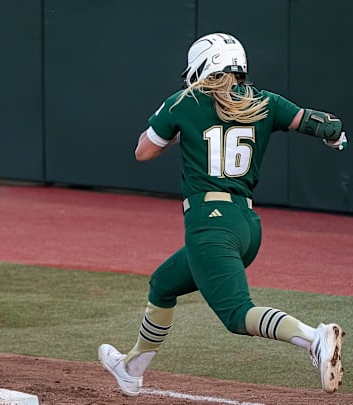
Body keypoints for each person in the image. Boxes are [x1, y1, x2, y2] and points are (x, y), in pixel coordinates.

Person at [98, 32, 347, 396]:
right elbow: (323, 123)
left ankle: (314, 338)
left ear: (202, 66)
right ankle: (132, 368)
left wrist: (182, 131)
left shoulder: (184, 102)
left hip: (209, 223)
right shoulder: (266, 102)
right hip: (246, 227)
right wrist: (333, 135)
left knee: (236, 316)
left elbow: (143, 151)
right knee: (163, 284)